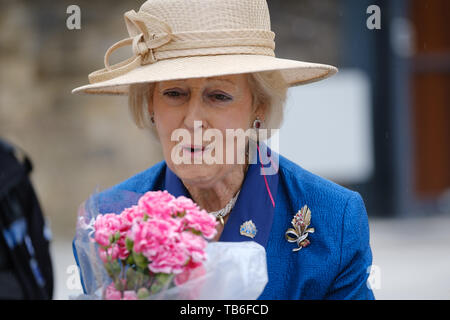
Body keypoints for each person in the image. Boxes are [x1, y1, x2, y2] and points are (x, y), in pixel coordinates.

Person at [72, 0, 374, 299]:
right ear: (151, 104)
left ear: (260, 106)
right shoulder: (107, 223)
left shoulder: (334, 220)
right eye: (174, 93)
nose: (192, 121)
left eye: (218, 96)